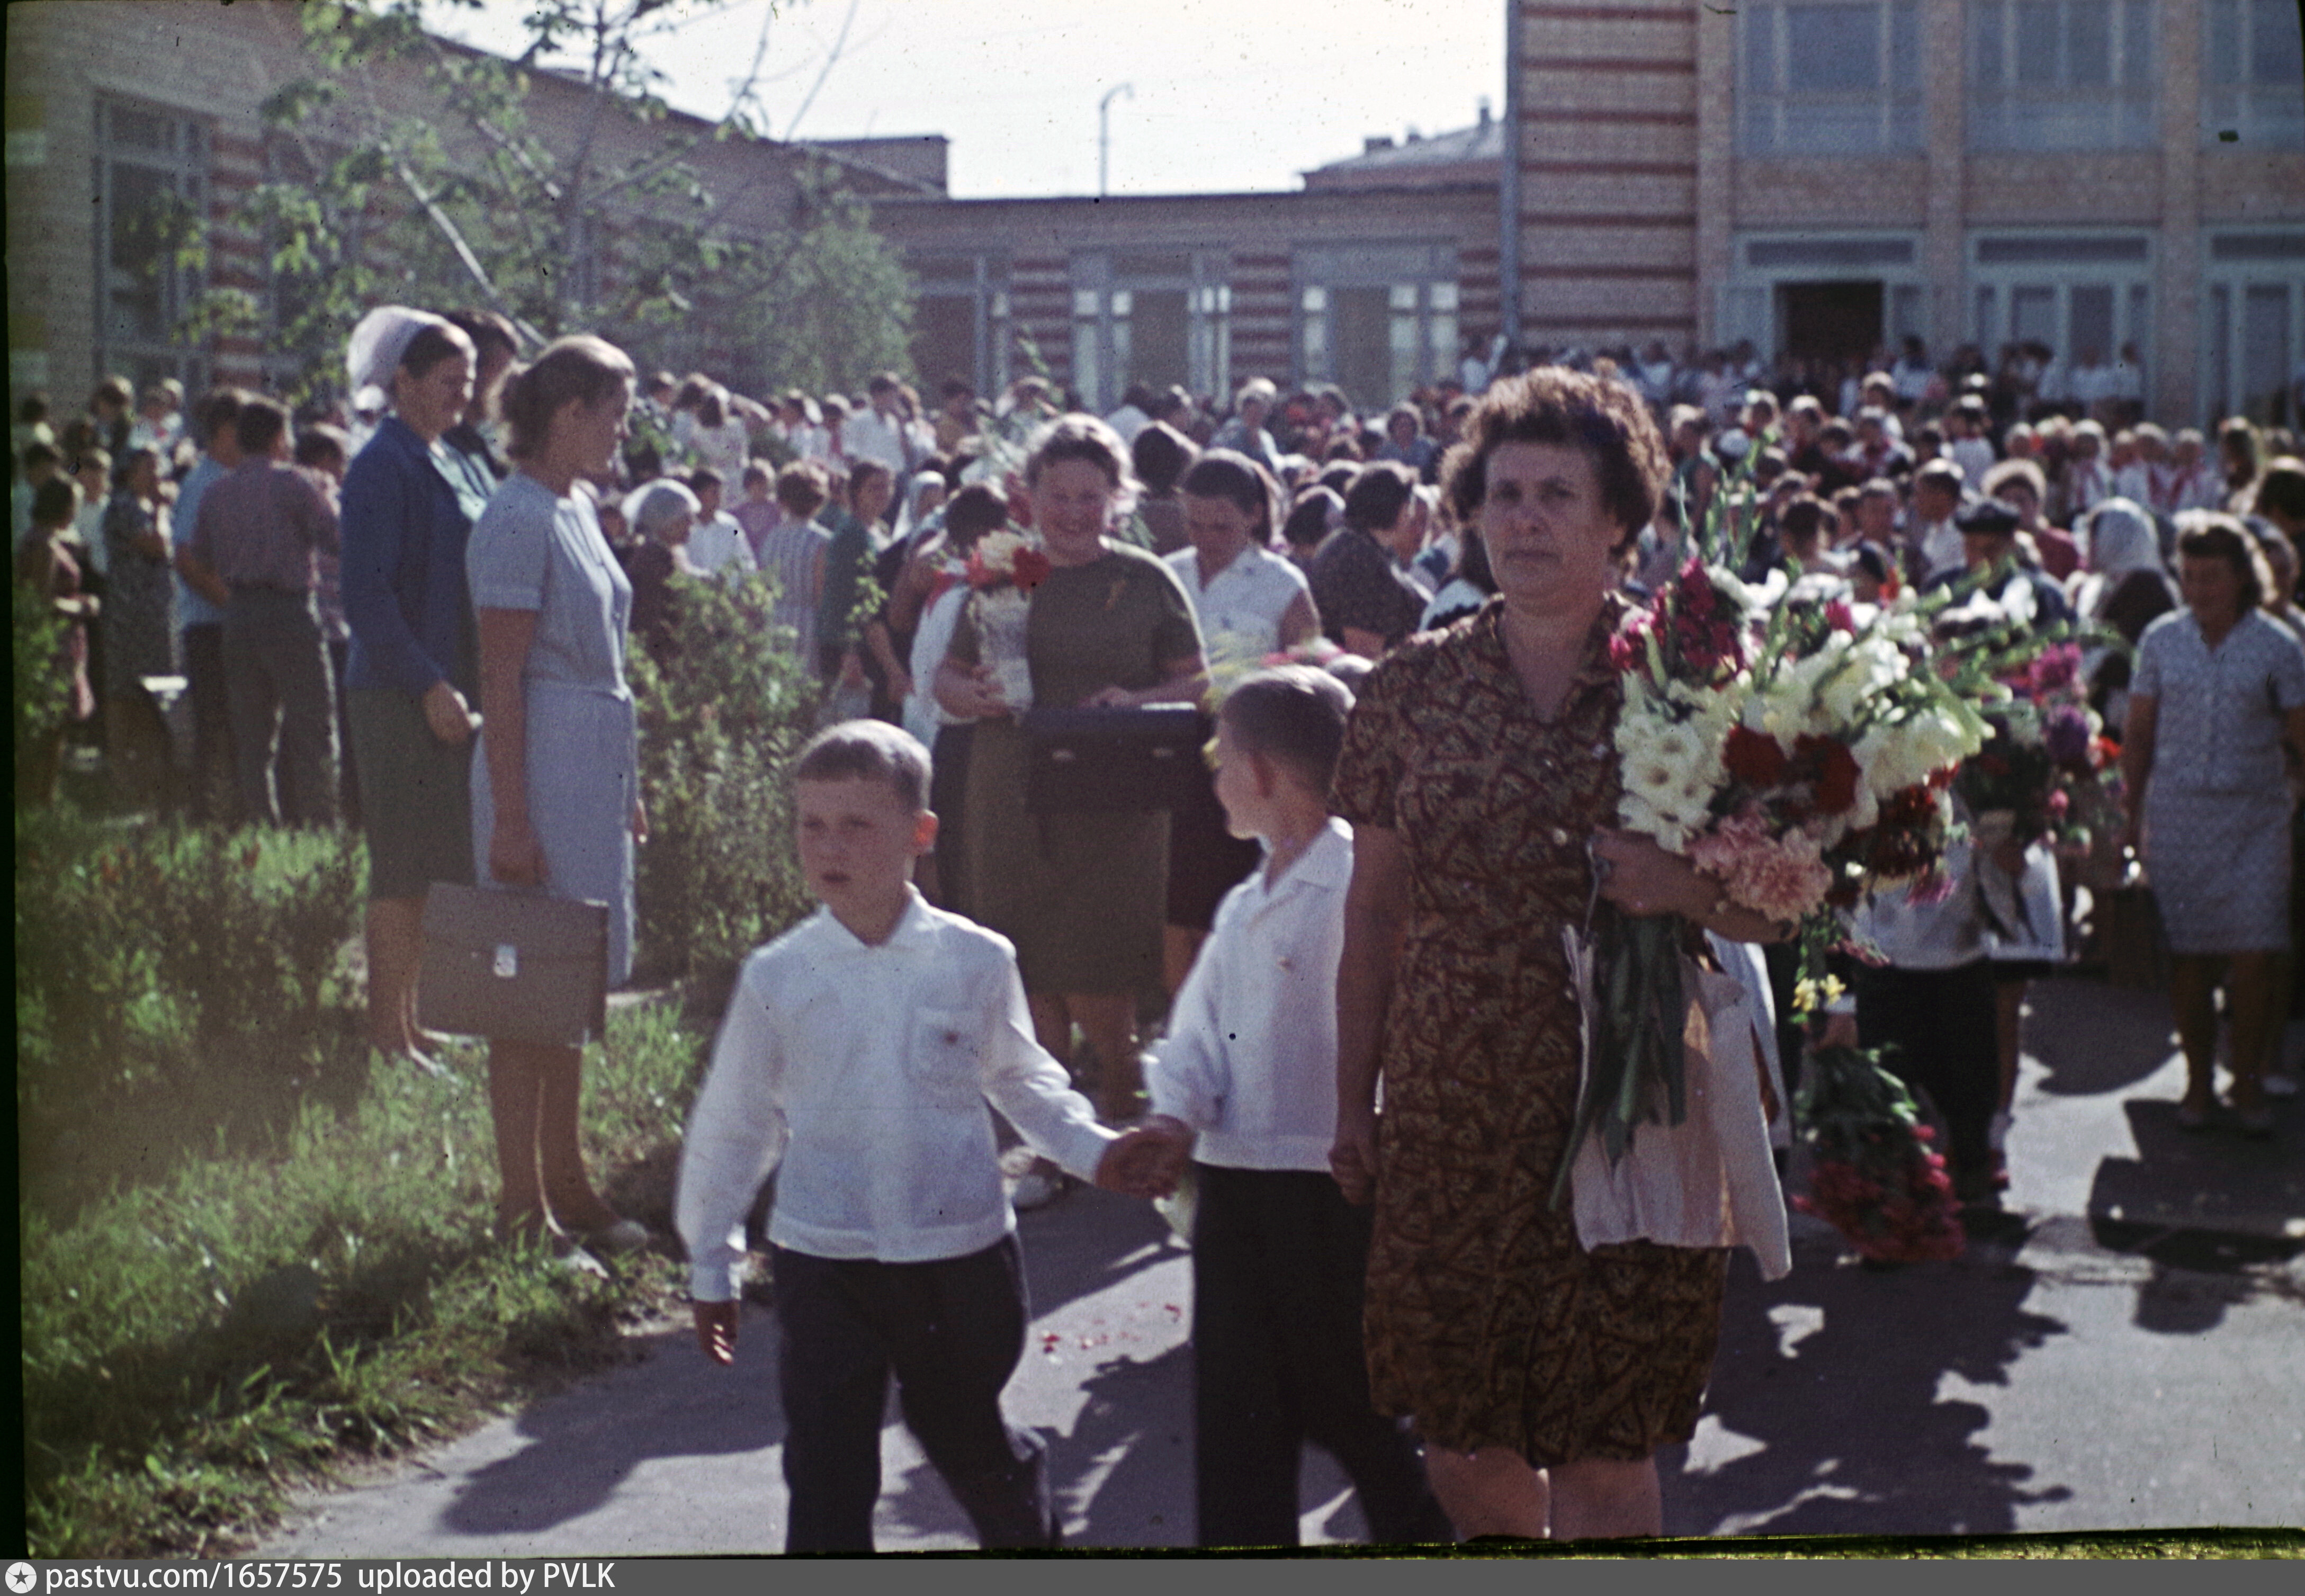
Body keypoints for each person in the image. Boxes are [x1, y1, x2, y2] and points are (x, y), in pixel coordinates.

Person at [1328, 367, 1782, 1540]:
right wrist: (1350, 1097)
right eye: (1502, 493)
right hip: (1451, 1107)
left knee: (1602, 1447)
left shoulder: (1694, 686)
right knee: (1465, 1444)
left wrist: (1683, 885)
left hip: (1631, 1108)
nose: (1522, 518)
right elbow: (1372, 909)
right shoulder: (1409, 689)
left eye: (1555, 495)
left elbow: (1786, 908)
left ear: (1619, 521)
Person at [675, 720, 1182, 1554]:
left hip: (958, 1258)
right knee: (827, 1466)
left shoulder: (975, 959)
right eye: (812, 824)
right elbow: (735, 1123)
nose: (828, 845)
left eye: (856, 825)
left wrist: (1094, 1151)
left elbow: (1023, 1080)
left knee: (967, 1440)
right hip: (825, 1256)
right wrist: (709, 1257)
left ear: (920, 835)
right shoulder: (779, 976)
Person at [1142, 667, 1452, 1549]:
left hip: (1328, 1183)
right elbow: (1197, 1029)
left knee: (1345, 1396)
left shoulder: (1358, 875)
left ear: (1267, 771)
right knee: (1237, 1410)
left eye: (1221, 760)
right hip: (1236, 1181)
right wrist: (1173, 1114)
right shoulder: (1247, 898)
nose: (1214, 780)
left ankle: (1428, 1531)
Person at [934, 415, 1208, 1121]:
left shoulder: (1143, 579)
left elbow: (1198, 683)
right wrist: (974, 694)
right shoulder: (1005, 567)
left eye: (1091, 496)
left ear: (1118, 497)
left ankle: (1121, 1117)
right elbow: (946, 677)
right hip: (1011, 793)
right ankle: (1057, 1143)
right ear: (1030, 495)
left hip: (1112, 799)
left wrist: (1137, 700)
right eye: (1060, 495)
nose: (1075, 512)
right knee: (1029, 974)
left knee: (1101, 974)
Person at [467, 334, 650, 1249]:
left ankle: (571, 1183)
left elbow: (607, 658)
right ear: (569, 413)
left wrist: (628, 786)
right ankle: (521, 1204)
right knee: (524, 992)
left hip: (586, 771)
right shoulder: (516, 516)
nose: (621, 435)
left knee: (569, 989)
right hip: (534, 768)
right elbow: (500, 677)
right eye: (613, 416)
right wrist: (510, 815)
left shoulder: (574, 507)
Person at [2122, 515, 2305, 1138]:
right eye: (2190, 575)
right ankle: (2199, 1080)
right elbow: (2139, 734)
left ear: (2241, 578)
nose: (2200, 588)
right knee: (2192, 960)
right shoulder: (2161, 640)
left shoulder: (2278, 645)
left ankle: (2246, 1077)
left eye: (2213, 576)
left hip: (2255, 818)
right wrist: (2129, 813)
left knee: (2256, 956)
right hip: (2178, 816)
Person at [339, 308, 485, 1075]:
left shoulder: (453, 458)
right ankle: (386, 1035)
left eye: (469, 382)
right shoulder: (379, 464)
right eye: (448, 381)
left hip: (447, 688)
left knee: (435, 863)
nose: (463, 396)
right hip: (399, 692)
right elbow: (365, 597)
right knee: (401, 868)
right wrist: (428, 682)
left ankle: (416, 1024)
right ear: (403, 382)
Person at [1162, 450, 1320, 993]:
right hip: (1173, 753)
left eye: (1222, 525)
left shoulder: (1281, 583)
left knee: (1225, 898)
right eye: (1195, 524)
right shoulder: (1168, 573)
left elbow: (1311, 669)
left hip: (1251, 756)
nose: (1207, 537)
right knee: (1173, 900)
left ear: (1253, 516)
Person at [184, 395, 343, 828]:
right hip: (289, 611)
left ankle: (261, 826)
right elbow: (335, 539)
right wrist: (329, 496)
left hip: (237, 613)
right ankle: (321, 828)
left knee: (253, 735)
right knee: (313, 726)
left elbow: (201, 554)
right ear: (278, 437)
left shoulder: (217, 491)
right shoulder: (295, 484)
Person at [16, 477, 97, 804]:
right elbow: (40, 600)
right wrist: (83, 606)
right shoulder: (44, 546)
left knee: (54, 730)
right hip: (52, 647)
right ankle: (41, 800)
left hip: (61, 644)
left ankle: (44, 797)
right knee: (50, 730)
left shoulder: (39, 540)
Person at [1310, 461, 1427, 658]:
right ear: (1401, 507)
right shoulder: (1360, 559)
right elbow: (1364, 652)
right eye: (1409, 505)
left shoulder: (1351, 543)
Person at [98, 446, 177, 719]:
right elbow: (159, 546)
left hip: (154, 613)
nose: (158, 475)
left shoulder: (150, 506)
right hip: (128, 613)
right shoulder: (123, 506)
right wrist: (162, 511)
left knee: (154, 690)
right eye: (150, 468)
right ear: (133, 472)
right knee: (124, 690)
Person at [759, 462, 832, 675]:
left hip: (774, 620)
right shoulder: (821, 541)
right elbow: (820, 594)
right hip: (807, 624)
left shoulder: (771, 538)